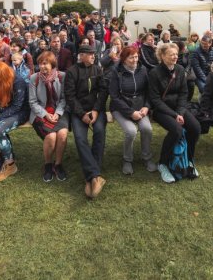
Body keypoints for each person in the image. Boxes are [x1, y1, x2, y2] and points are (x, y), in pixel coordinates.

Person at [148, 43, 201, 183]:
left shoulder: (180, 69)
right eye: (171, 54)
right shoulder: (154, 73)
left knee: (195, 128)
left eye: (176, 54)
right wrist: (174, 115)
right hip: (161, 110)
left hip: (179, 109)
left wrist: (180, 112)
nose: (175, 57)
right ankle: (163, 164)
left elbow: (184, 93)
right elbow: (155, 100)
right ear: (162, 56)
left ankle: (189, 160)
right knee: (177, 130)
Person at [64, 45, 109, 198]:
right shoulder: (71, 72)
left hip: (96, 110)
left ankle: (91, 176)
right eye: (89, 54)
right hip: (79, 112)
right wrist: (82, 114)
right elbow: (70, 96)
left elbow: (103, 92)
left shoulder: (98, 70)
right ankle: (95, 176)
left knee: (99, 132)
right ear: (81, 55)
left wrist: (96, 110)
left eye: (93, 54)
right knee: (80, 138)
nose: (93, 56)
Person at [108, 47, 157, 175]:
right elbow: (114, 97)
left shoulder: (143, 70)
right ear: (124, 59)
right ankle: (127, 160)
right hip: (120, 107)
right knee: (131, 131)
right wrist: (130, 112)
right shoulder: (115, 72)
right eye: (131, 57)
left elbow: (148, 91)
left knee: (147, 129)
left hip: (140, 107)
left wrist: (146, 106)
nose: (135, 60)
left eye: (136, 56)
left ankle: (146, 157)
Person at [29, 51, 70, 182]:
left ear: (52, 64)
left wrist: (57, 113)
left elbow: (64, 99)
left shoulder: (62, 76)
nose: (42, 66)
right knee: (51, 136)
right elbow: (32, 102)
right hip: (40, 112)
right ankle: (48, 164)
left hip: (59, 111)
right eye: (40, 63)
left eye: (45, 64)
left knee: (63, 134)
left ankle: (58, 164)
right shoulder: (34, 78)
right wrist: (46, 114)